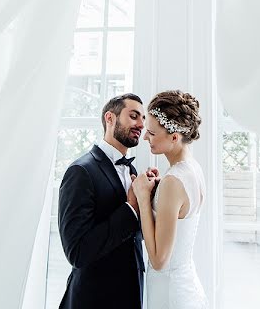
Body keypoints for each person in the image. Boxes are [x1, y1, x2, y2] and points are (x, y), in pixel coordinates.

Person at [58, 93, 157, 309]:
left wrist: (148, 199)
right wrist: (130, 207)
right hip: (93, 299)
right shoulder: (80, 171)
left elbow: (132, 236)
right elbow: (77, 252)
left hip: (130, 295)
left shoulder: (132, 170)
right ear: (110, 118)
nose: (141, 124)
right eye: (134, 116)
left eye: (143, 118)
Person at [131, 90, 208, 309]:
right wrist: (158, 191)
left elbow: (159, 261)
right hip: (186, 285)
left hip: (169, 294)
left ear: (174, 137)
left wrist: (144, 198)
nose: (145, 137)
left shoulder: (173, 181)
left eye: (152, 133)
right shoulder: (193, 170)